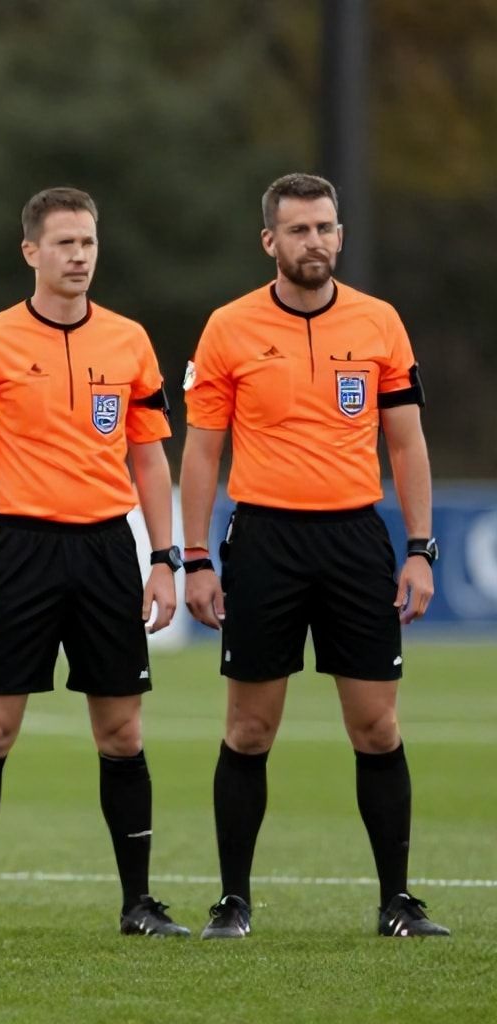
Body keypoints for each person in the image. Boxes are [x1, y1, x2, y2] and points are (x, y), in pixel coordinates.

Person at [181, 172, 448, 939]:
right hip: (264, 541)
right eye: (299, 230)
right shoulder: (229, 327)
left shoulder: (379, 322)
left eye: (325, 227)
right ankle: (233, 901)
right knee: (249, 730)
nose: (315, 241)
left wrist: (420, 549)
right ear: (270, 240)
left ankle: (397, 902)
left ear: (341, 235)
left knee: (377, 727)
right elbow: (201, 453)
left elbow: (406, 444)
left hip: (355, 540)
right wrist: (195, 557)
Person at [0, 187, 189, 942]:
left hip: (107, 550)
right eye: (65, 243)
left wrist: (164, 559)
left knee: (122, 734)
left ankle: (139, 904)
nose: (79, 256)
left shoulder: (129, 341)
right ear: (31, 252)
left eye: (88, 243)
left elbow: (150, 459)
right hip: (21, 552)